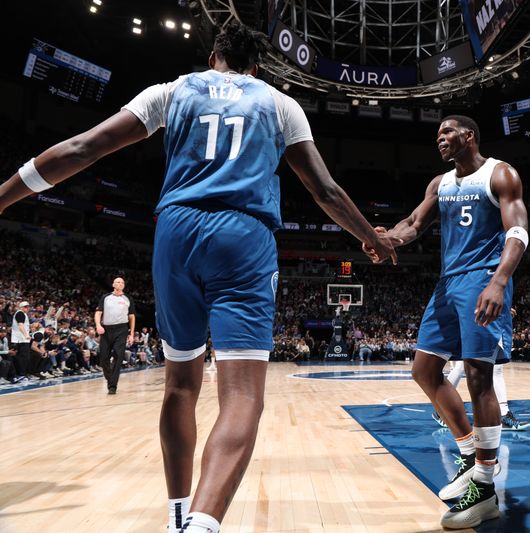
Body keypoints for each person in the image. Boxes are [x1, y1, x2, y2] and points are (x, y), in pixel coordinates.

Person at [0, 21, 395, 533]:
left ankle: (177, 514)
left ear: (213, 57)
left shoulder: (172, 90)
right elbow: (324, 190)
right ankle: (204, 525)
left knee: (180, 385)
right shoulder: (279, 103)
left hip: (176, 231)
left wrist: (5, 195)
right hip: (243, 236)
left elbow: (83, 148)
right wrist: (371, 238)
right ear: (258, 66)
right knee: (243, 395)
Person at [364, 115, 528, 528]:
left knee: (478, 375)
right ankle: (471, 454)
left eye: (447, 133)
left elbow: (519, 231)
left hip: (484, 277)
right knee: (424, 370)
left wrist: (499, 280)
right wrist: (388, 240)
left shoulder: (500, 173)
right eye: (438, 135)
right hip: (448, 282)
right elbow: (414, 224)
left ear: (469, 135)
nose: (440, 140)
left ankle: (486, 486)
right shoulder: (440, 183)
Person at [95, 277, 136, 394]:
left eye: (123, 282)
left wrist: (131, 334)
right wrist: (98, 325)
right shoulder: (105, 297)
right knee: (103, 358)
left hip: (122, 329)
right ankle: (110, 379)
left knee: (118, 356)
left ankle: (112, 386)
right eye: (118, 282)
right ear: (113, 284)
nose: (120, 283)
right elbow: (98, 313)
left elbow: (132, 317)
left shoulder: (128, 298)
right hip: (106, 330)